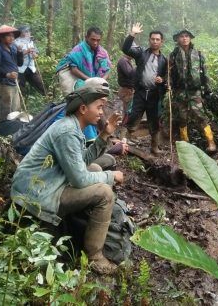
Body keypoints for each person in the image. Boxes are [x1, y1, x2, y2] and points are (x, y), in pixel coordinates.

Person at [10, 82, 125, 275]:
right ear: (82, 108)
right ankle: (95, 257)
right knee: (105, 192)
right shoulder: (67, 132)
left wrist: (105, 134)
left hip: (48, 183)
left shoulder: (71, 126)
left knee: (95, 167)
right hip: (38, 194)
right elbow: (80, 179)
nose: (101, 112)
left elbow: (82, 160)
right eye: (98, 107)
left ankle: (84, 224)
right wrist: (111, 176)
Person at [122, 23, 167, 156]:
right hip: (141, 92)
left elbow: (166, 78)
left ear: (161, 42)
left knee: (154, 121)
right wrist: (132, 34)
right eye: (152, 39)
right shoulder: (141, 53)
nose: (155, 41)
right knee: (133, 116)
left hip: (154, 95)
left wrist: (162, 80)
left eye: (157, 39)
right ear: (149, 40)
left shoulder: (164, 60)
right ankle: (123, 142)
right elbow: (125, 49)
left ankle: (154, 147)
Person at [169, 29, 216, 153]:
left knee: (200, 115)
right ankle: (185, 144)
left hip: (194, 91)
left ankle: (211, 142)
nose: (184, 38)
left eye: (187, 36)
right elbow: (168, 72)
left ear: (190, 38)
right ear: (177, 39)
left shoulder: (198, 53)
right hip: (179, 91)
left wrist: (208, 89)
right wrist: (168, 85)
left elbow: (205, 72)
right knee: (182, 117)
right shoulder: (173, 54)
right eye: (181, 36)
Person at [56, 27, 112, 95]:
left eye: (98, 40)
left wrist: (101, 81)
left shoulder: (103, 53)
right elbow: (73, 69)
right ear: (86, 37)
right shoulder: (78, 50)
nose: (95, 43)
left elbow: (107, 70)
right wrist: (90, 81)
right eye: (93, 39)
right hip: (80, 83)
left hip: (97, 85)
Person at [0, 25, 24, 124]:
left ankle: (12, 130)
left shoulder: (13, 48)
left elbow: (19, 63)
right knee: (5, 110)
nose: (12, 38)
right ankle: (0, 130)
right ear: (1, 37)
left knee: (16, 110)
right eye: (8, 36)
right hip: (3, 84)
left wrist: (20, 52)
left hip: (14, 83)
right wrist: (7, 74)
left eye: (13, 36)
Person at [14, 26, 45, 95]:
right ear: (21, 33)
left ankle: (48, 99)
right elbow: (14, 55)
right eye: (26, 31)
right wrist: (26, 51)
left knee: (40, 85)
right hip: (20, 69)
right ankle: (21, 104)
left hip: (31, 68)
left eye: (28, 31)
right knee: (21, 89)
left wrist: (35, 55)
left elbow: (36, 53)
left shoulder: (31, 42)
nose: (28, 33)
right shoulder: (15, 42)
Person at [116, 54, 136, 126]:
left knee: (127, 111)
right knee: (127, 112)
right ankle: (121, 131)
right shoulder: (123, 61)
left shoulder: (127, 61)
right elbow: (130, 74)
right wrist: (139, 67)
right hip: (126, 90)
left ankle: (122, 131)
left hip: (127, 90)